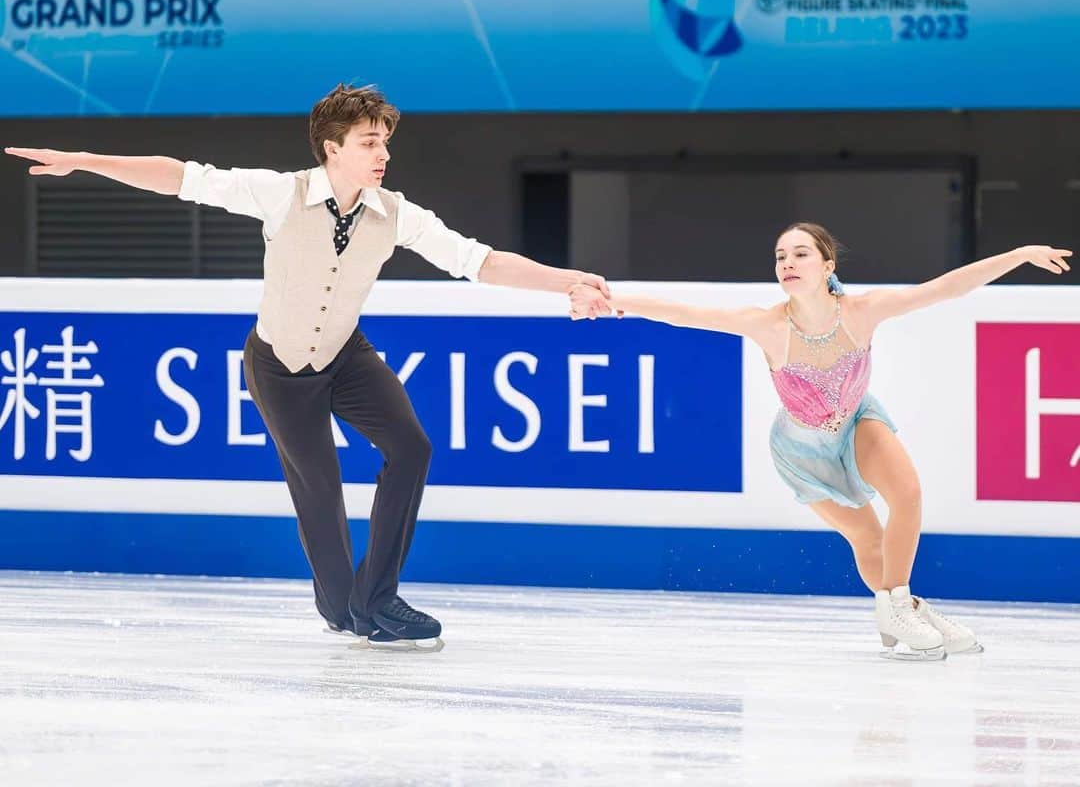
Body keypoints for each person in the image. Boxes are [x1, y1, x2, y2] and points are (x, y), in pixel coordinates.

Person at [6, 85, 610, 649]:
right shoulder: (282, 194)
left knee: (412, 446)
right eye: (370, 142)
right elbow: (182, 179)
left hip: (347, 356)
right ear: (333, 149)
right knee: (319, 490)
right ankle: (345, 606)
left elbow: (479, 262)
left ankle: (379, 597)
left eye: (386, 142)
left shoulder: (397, 214)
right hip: (278, 365)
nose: (383, 155)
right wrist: (86, 159)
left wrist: (568, 281)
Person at [569, 224, 1072, 659]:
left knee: (909, 496)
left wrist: (1018, 256)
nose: (788, 262)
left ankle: (897, 607)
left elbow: (943, 289)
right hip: (803, 452)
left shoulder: (862, 311)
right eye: (780, 256)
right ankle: (910, 608)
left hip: (858, 423)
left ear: (826, 264)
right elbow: (683, 312)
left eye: (801, 253)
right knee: (869, 539)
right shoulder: (766, 324)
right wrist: (613, 300)